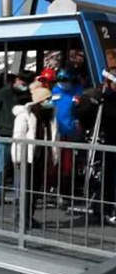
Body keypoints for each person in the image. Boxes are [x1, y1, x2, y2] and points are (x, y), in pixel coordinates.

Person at [11, 86, 57, 230]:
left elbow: (53, 138)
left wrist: (54, 156)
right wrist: (18, 159)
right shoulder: (25, 115)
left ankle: (29, 216)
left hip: (41, 157)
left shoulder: (48, 117)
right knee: (26, 188)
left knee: (35, 189)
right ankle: (21, 218)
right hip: (27, 157)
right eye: (46, 99)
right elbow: (18, 137)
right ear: (39, 101)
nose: (49, 101)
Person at [0, 70, 34, 204]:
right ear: (17, 80)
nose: (25, 86)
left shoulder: (27, 95)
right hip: (5, 136)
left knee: (20, 167)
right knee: (2, 167)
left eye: (27, 84)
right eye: (23, 83)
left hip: (21, 137)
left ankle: (19, 196)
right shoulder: (2, 94)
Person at [76, 68, 116, 225]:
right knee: (103, 177)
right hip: (102, 142)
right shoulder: (96, 97)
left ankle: (107, 207)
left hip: (112, 142)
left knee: (110, 177)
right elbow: (83, 116)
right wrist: (96, 101)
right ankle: (102, 209)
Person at [50, 68, 84, 197]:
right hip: (57, 131)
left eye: (66, 80)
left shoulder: (77, 90)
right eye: (61, 80)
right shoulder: (54, 90)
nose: (64, 82)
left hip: (72, 131)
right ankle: (57, 188)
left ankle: (67, 190)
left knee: (69, 163)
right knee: (56, 161)